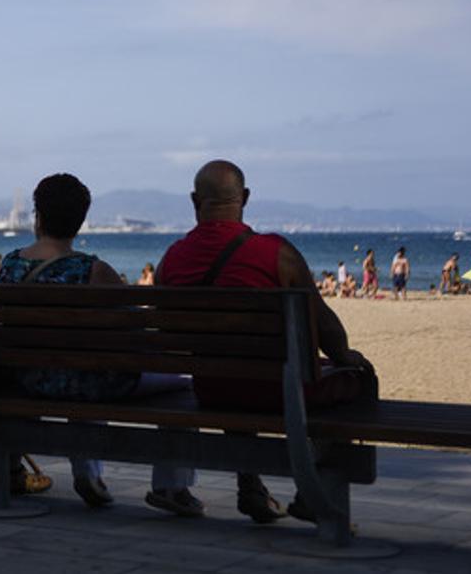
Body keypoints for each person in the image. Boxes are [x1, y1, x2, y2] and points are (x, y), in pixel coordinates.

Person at [156, 160, 376, 526]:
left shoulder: (172, 260)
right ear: (244, 197)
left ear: (195, 201)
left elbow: (166, 334)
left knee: (233, 371)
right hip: (280, 391)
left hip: (211, 390)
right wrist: (346, 357)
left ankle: (251, 484)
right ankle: (312, 491)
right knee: (358, 376)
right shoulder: (276, 253)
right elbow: (328, 332)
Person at [0, 174, 198, 513]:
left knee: (85, 368)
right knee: (179, 385)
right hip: (86, 383)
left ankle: (91, 475)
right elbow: (139, 332)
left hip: (28, 380)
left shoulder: (10, 265)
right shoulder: (95, 271)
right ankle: (171, 486)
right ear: (80, 222)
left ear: (38, 216)